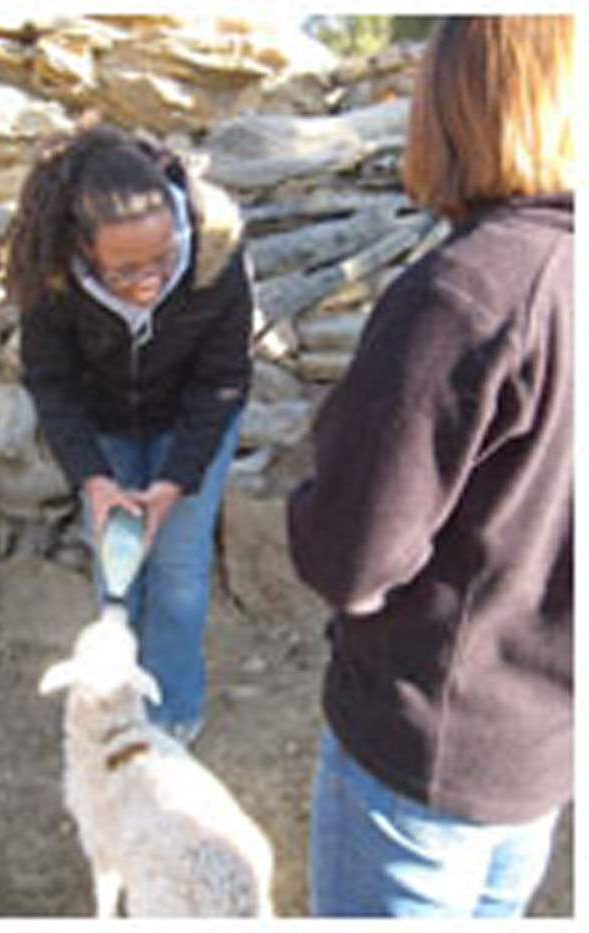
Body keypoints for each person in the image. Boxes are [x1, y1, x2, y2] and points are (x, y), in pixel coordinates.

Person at [287, 16, 573, 918]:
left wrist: (310, 493)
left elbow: (350, 559)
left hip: (427, 752)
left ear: (453, 106)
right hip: (546, 744)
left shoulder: (462, 296)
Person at [7, 123, 253, 744]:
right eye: (124, 271)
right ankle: (117, 704)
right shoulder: (50, 271)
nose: (147, 281)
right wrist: (93, 477)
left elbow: (223, 380)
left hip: (192, 425)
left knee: (178, 572)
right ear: (83, 249)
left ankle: (170, 717)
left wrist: (175, 482)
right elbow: (52, 383)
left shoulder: (215, 250)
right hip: (104, 429)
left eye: (162, 260)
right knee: (118, 569)